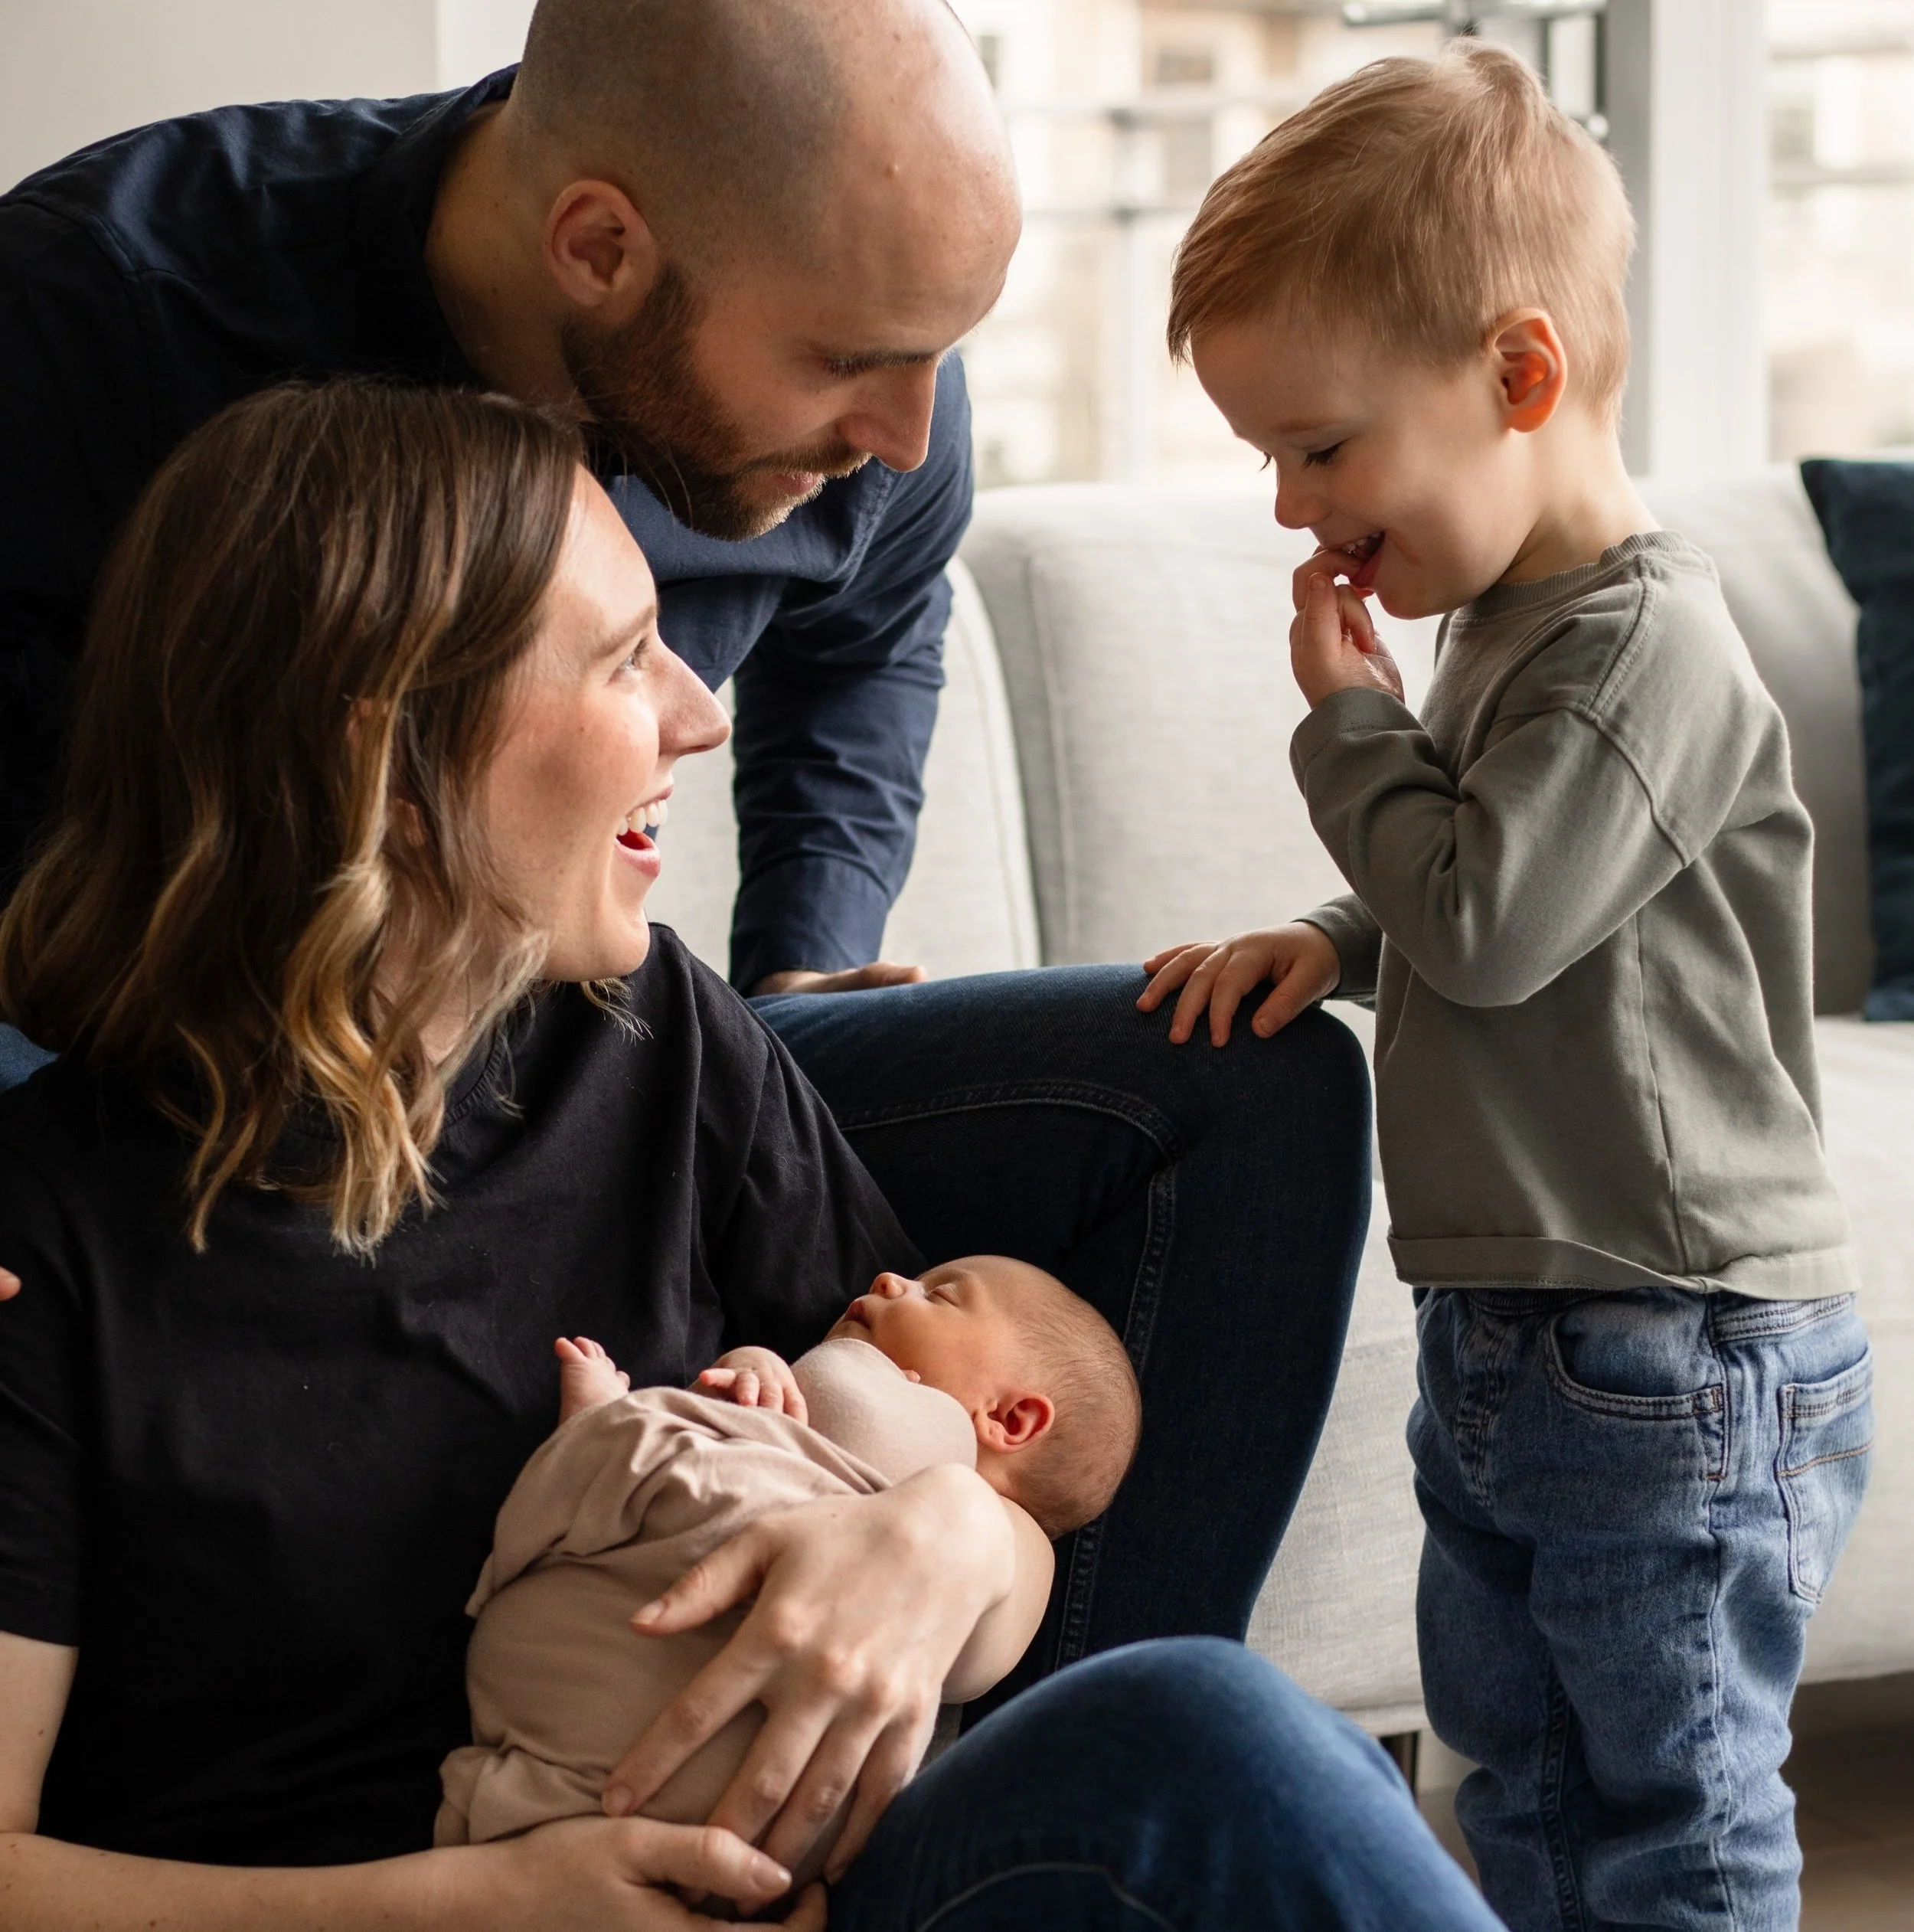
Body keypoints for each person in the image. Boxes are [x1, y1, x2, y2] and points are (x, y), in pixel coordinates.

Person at [0, 0, 1371, 1711]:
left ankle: (997, 1790)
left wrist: (801, 955)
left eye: (940, 352)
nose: (905, 429)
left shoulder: (873, 416)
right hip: (147, 1070)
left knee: (1249, 1082)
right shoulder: (90, 317)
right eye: (847, 358)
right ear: (598, 247)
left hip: (610, 1043)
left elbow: (868, 632)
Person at [0, 378, 1499, 1932]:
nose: (701, 711)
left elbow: (917, 1443)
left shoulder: (657, 1036)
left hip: (781, 1892)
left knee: (1211, 1732)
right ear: (390, 759)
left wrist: (953, 1538)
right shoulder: (45, 1234)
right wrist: (482, 1900)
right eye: (616, 659)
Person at [1141, 41, 1875, 1932]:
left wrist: (1352, 732)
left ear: (1518, 375)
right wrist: (1328, 933)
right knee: (1521, 1776)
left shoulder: (1646, 646)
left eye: (1322, 444)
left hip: (1673, 1335)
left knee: (1676, 1805)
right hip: (1529, 1325)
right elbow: (1495, 899)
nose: (1300, 508)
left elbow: (1489, 916)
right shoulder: (1512, 628)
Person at [438, 1258, 1139, 1871]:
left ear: (1012, 1420)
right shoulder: (842, 1421)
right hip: (595, 1651)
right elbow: (762, 1450)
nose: (889, 1279)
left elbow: (849, 1409)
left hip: (670, 1794)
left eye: (942, 1294)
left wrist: (811, 1379)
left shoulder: (1010, 1537)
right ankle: (603, 1433)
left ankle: (605, 1434)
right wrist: (753, 1376)